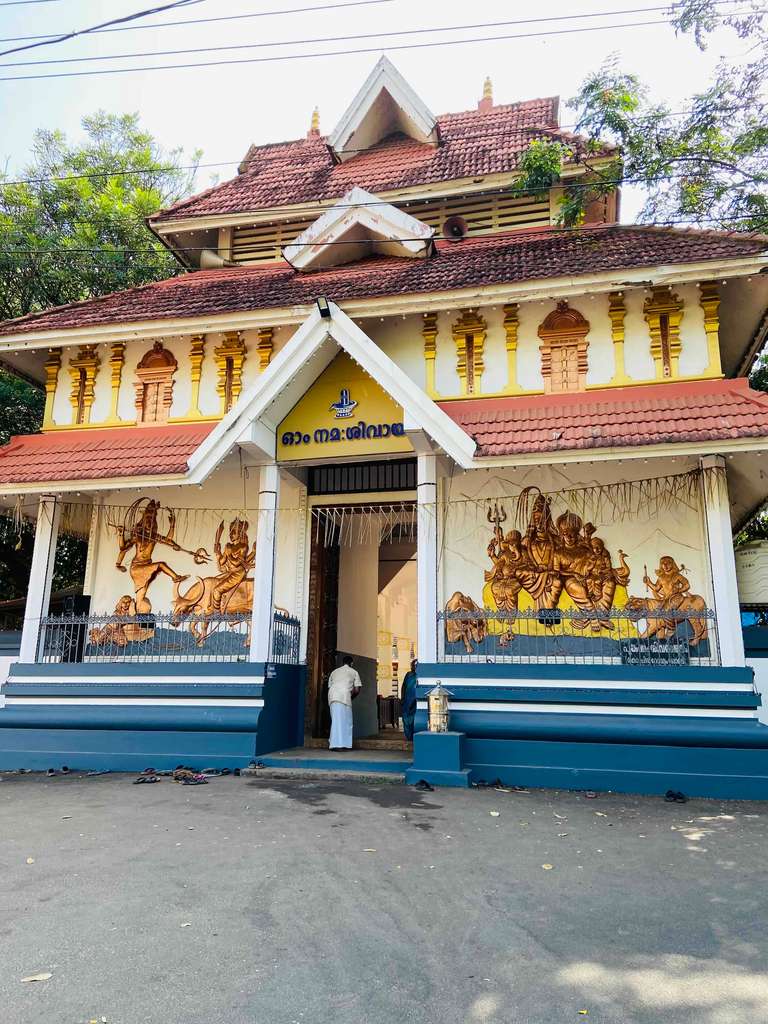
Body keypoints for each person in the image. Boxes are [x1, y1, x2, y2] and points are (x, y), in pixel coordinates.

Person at [327, 654, 362, 751]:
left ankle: (334, 744)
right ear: (351, 663)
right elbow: (357, 689)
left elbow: (330, 686)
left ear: (342, 663)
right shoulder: (354, 672)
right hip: (344, 696)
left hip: (332, 696)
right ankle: (341, 745)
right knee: (346, 722)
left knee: (336, 721)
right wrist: (351, 697)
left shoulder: (334, 672)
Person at [400, 659, 418, 741]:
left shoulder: (420, 676)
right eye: (413, 665)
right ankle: (408, 737)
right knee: (406, 719)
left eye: (416, 665)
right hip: (407, 701)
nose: (414, 667)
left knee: (413, 719)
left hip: (415, 701)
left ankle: (413, 737)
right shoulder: (408, 675)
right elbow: (403, 687)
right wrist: (402, 698)